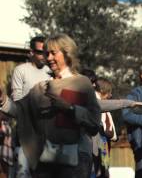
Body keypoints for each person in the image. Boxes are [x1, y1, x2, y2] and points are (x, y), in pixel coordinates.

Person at [0, 33, 101, 178]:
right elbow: (20, 111)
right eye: (47, 53)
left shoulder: (82, 83)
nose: (48, 58)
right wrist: (3, 99)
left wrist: (70, 108)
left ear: (67, 53)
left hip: (76, 161)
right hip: (46, 160)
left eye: (53, 53)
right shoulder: (41, 87)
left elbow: (93, 122)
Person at [10, 35, 51, 178]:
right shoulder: (21, 70)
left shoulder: (50, 72)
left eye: (46, 52)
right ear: (31, 52)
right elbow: (17, 100)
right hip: (25, 133)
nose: (44, 55)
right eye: (40, 52)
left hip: (47, 134)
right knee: (23, 172)